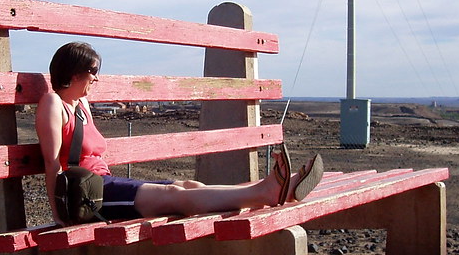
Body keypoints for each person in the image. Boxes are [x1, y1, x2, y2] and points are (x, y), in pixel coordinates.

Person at [36, 41, 323, 225]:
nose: (96, 77)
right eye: (92, 71)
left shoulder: (80, 103)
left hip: (104, 184)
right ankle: (269, 191)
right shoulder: (53, 104)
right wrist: (60, 214)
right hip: (90, 198)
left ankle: (269, 187)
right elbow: (52, 163)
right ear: (73, 74)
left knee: (189, 185)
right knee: (176, 195)